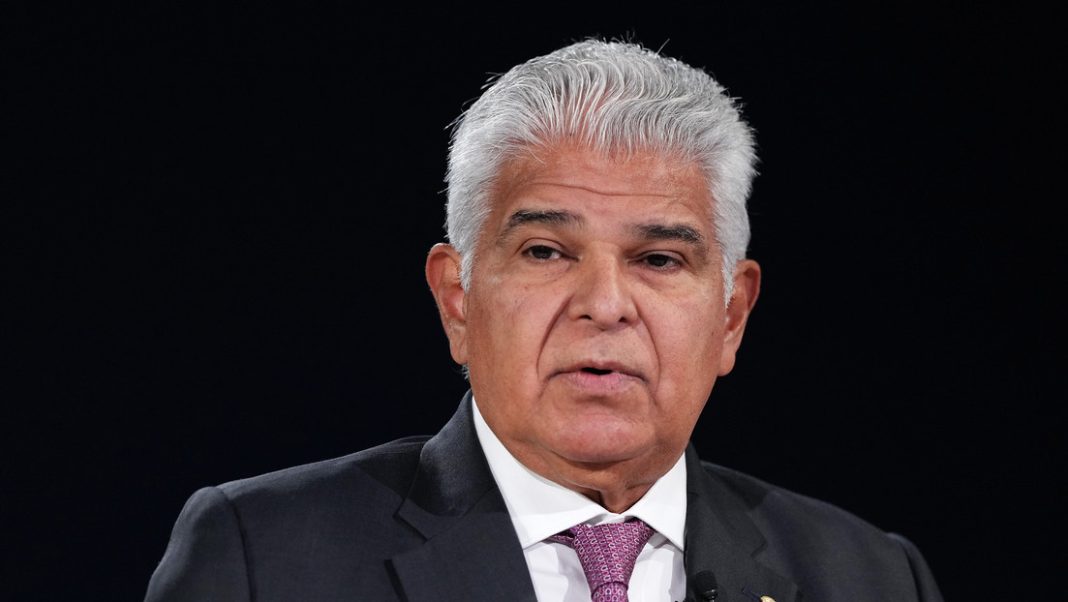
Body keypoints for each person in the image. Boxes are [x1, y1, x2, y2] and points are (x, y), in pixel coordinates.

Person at [145, 40, 943, 602]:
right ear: (457, 299)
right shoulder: (266, 561)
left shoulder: (872, 578)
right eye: (546, 252)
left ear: (731, 316)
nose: (605, 303)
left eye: (659, 259)